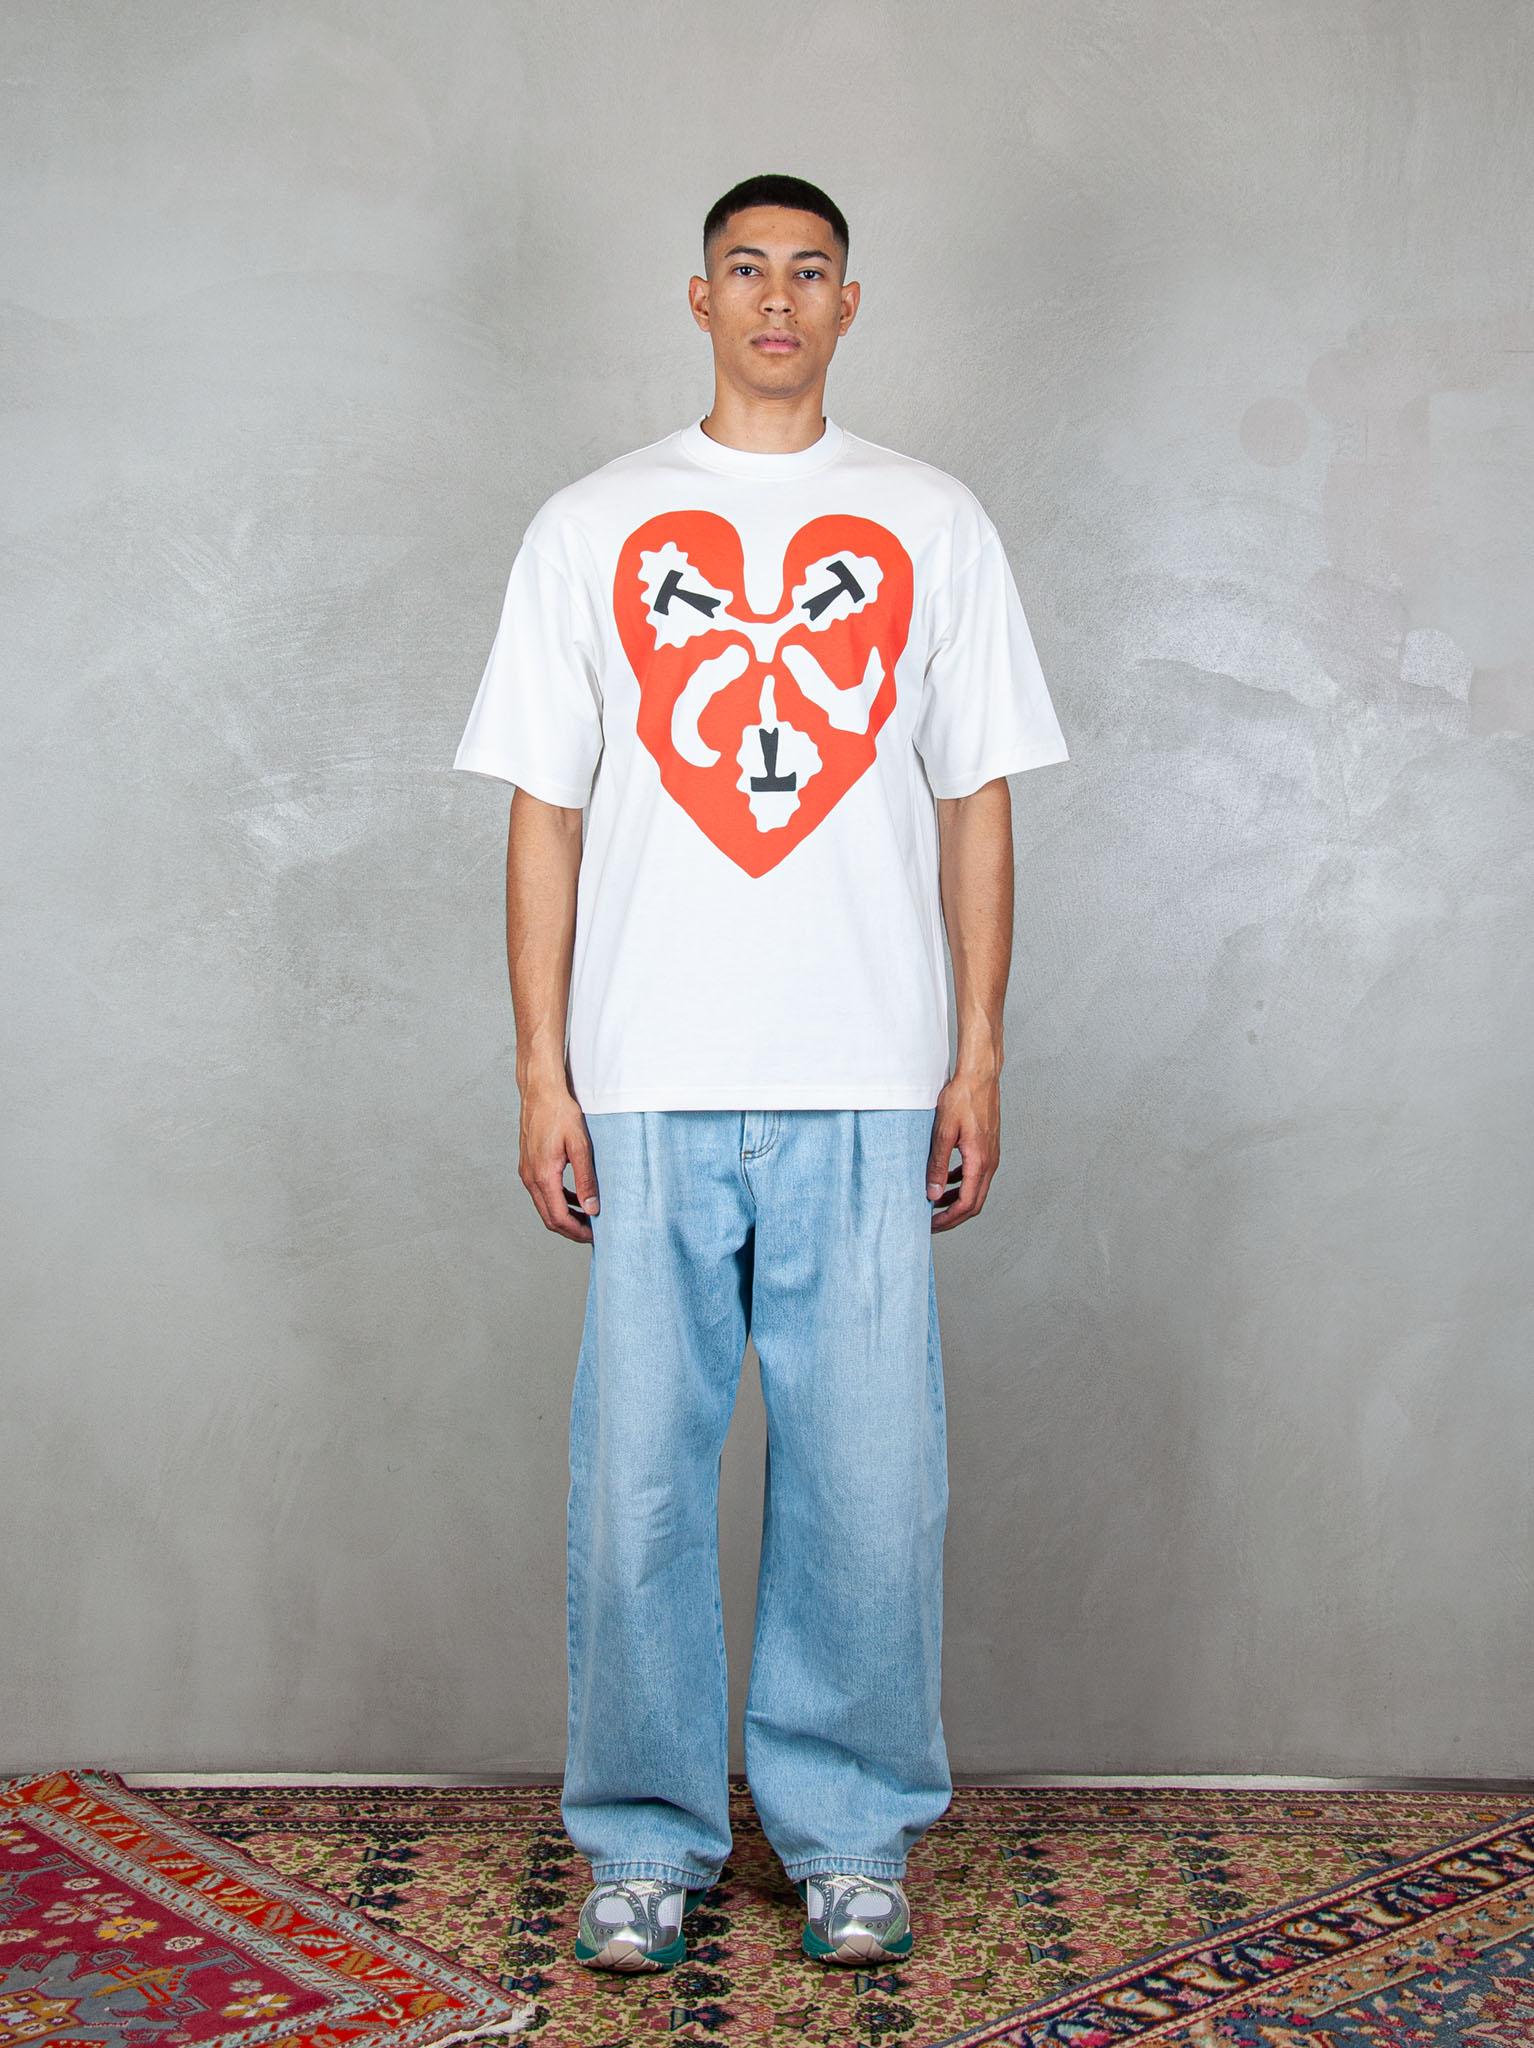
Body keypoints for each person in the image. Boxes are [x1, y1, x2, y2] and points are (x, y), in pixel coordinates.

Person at [452, 171, 1069, 1974]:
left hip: (869, 1068)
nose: (777, 297)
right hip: (645, 1069)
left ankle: (849, 1831)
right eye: (746, 269)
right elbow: (545, 812)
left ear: (849, 304)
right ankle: (641, 1840)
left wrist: (975, 1052)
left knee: (869, 1485)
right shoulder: (591, 524)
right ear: (698, 297)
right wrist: (542, 1074)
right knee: (636, 1485)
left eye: (809, 271)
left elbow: (974, 799)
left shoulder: (930, 520)